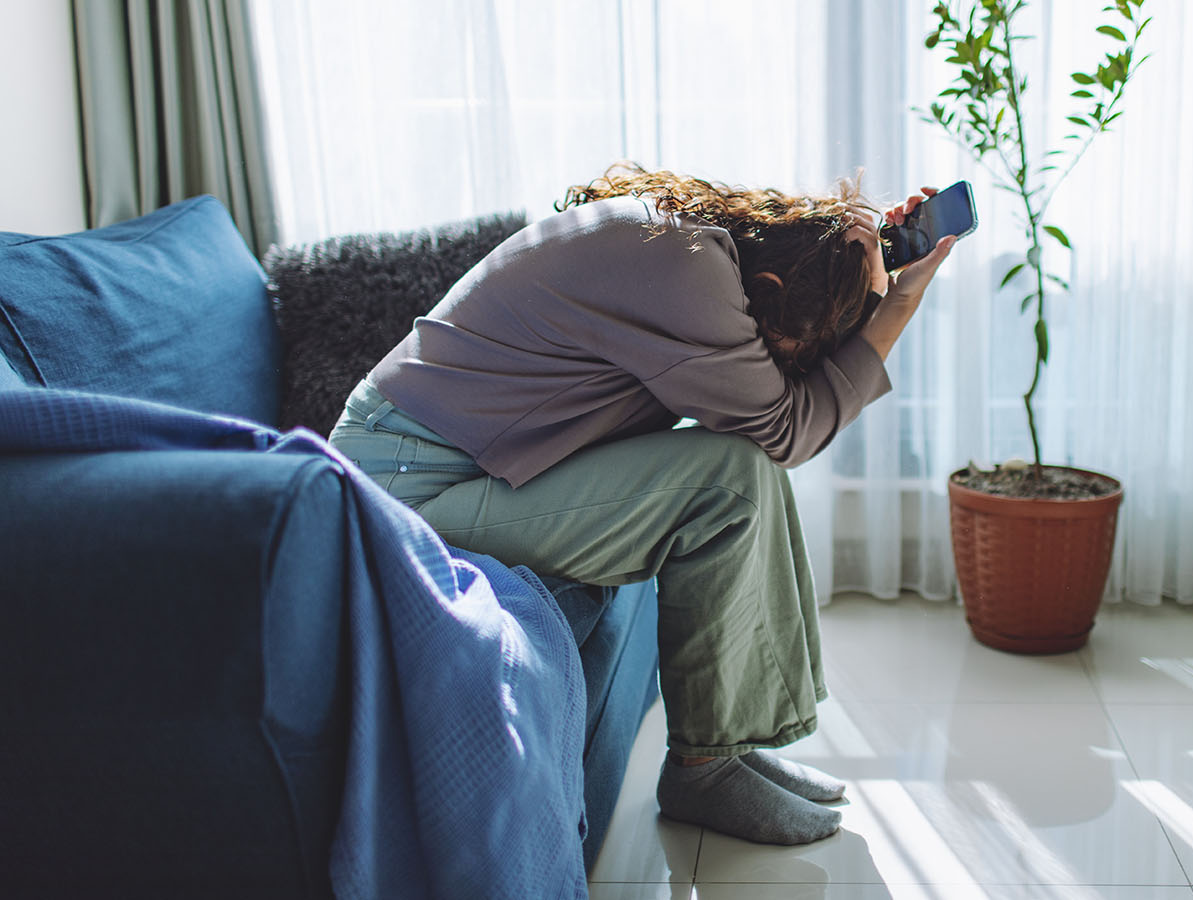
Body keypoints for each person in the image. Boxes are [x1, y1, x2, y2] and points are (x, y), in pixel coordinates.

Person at [327, 163, 959, 846]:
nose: (792, 356)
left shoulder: (695, 251)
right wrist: (897, 307)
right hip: (400, 496)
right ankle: (703, 773)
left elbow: (775, 409)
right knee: (730, 483)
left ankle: (730, 750)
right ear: (772, 286)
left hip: (433, 468)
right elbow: (787, 429)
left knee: (734, 468)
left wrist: (873, 278)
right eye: (800, 340)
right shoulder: (690, 278)